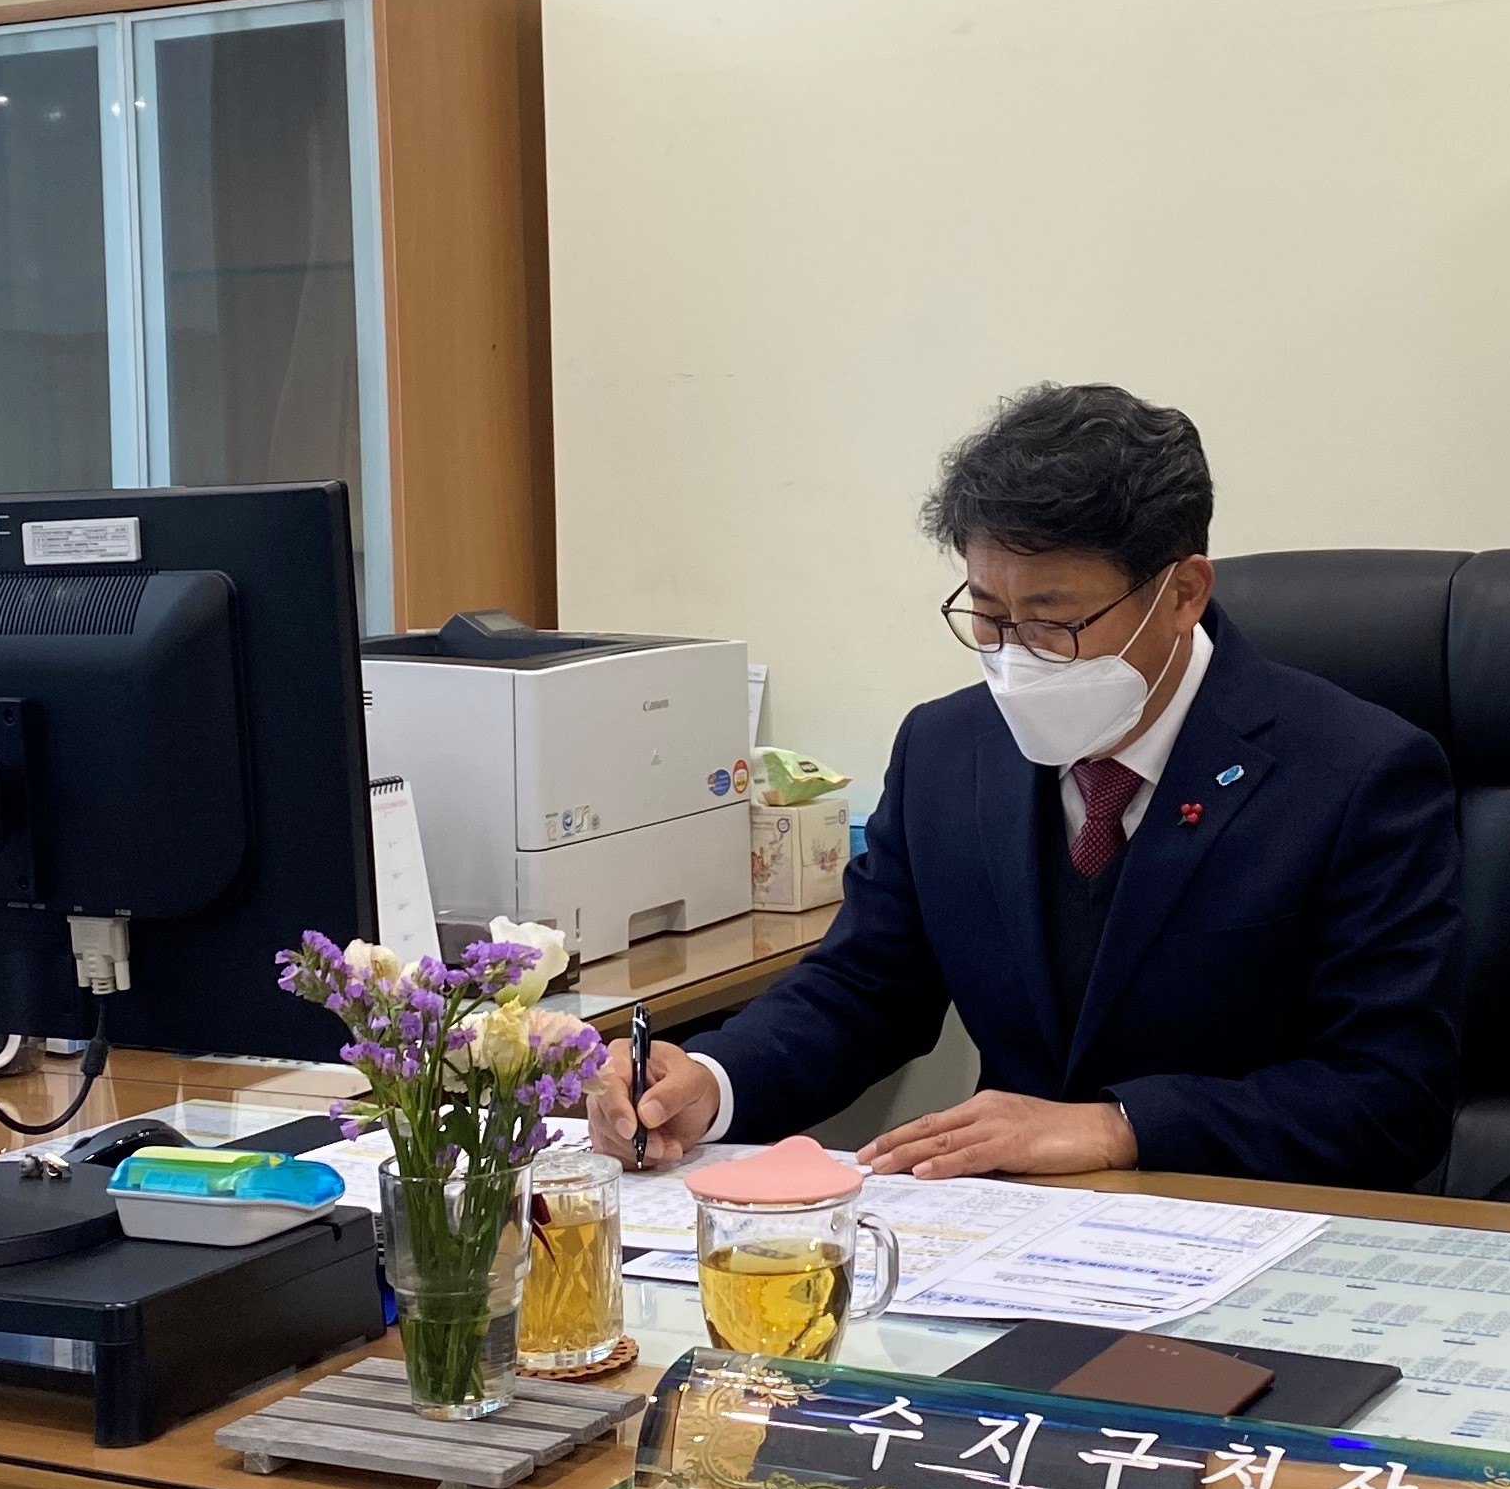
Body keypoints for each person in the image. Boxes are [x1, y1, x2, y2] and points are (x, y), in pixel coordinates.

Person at [587, 382, 1464, 1187]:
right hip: (1005, 1236)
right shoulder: (947, 750)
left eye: (1053, 621)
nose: (1014, 658)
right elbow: (862, 990)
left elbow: (1390, 1097)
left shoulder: (1357, 775)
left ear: (1184, 594)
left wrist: (1120, 1126)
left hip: (1255, 1228)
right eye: (988, 615)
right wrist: (713, 1081)